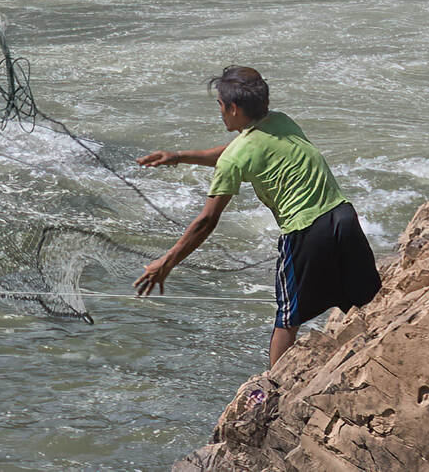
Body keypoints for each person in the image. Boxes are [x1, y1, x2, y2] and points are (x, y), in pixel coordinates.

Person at [133, 66, 381, 366]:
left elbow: (206, 221)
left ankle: (275, 392)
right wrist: (179, 156)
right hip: (343, 216)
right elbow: (238, 150)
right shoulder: (281, 121)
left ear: (234, 109)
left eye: (221, 107)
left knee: (288, 319)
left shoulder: (237, 156)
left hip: (305, 230)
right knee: (366, 300)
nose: (220, 113)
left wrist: (166, 261)